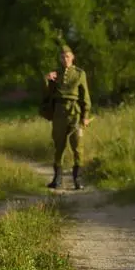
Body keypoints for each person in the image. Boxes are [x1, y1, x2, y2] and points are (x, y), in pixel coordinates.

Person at [44, 45, 91, 190]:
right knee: (59, 146)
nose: (65, 59)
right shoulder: (55, 74)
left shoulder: (79, 73)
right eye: (63, 57)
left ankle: (78, 180)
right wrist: (46, 79)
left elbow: (85, 96)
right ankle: (57, 180)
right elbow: (47, 94)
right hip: (59, 112)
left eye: (68, 56)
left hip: (74, 112)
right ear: (60, 59)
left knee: (78, 146)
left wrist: (86, 115)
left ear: (73, 57)